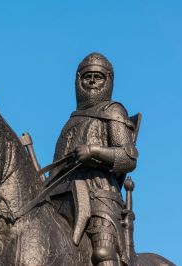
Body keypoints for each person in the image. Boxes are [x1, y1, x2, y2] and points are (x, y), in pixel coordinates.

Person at [50, 52, 138, 266]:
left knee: (103, 252)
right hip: (64, 199)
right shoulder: (70, 123)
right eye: (86, 76)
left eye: (97, 77)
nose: (91, 81)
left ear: (108, 80)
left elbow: (128, 157)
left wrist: (94, 152)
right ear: (78, 80)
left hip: (100, 196)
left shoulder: (113, 111)